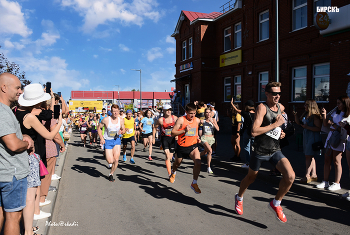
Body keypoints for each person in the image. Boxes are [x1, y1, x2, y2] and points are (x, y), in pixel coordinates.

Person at [234, 81, 295, 223]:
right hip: (260, 151)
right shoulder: (262, 108)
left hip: (275, 150)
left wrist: (281, 133)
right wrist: (275, 125)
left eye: (279, 93)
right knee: (251, 178)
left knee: (290, 176)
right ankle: (239, 197)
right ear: (266, 94)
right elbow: (254, 131)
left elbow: (279, 126)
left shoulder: (281, 107)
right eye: (274, 93)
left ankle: (276, 203)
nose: (277, 96)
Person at [16, 83, 62, 233]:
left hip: (18, 157)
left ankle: (25, 228)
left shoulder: (15, 111)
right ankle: (28, 231)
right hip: (30, 157)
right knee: (30, 196)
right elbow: (48, 135)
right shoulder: (30, 117)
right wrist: (59, 122)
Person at [0, 73, 33, 235]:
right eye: (17, 87)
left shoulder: (5, 111)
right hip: (12, 174)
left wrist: (22, 136)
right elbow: (12, 145)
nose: (20, 91)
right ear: (3, 88)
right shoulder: (3, 111)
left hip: (5, 172)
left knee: (2, 214)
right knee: (13, 217)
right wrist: (26, 143)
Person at [317, 95, 350, 191]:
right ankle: (325, 181)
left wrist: (334, 125)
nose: (337, 105)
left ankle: (337, 183)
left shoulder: (348, 115)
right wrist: (324, 115)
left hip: (339, 139)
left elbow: (344, 128)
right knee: (327, 160)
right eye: (337, 103)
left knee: (337, 161)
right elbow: (326, 123)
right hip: (330, 137)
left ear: (345, 104)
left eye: (339, 103)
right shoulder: (335, 112)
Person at [170, 103, 202, 194]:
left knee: (198, 162)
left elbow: (195, 131)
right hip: (182, 147)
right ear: (186, 112)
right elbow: (173, 133)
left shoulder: (197, 120)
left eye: (194, 113)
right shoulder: (181, 120)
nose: (192, 115)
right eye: (190, 113)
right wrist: (184, 130)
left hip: (193, 145)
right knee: (177, 164)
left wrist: (197, 138)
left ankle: (194, 183)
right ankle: (173, 172)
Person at [293, 99, 322, 184]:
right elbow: (299, 123)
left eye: (306, 105)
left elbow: (319, 128)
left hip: (312, 137)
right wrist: (295, 116)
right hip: (307, 136)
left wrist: (307, 127)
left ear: (311, 106)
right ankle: (314, 174)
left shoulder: (315, 116)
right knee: (310, 156)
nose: (304, 106)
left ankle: (307, 175)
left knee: (308, 156)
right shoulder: (306, 114)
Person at [98, 104, 125, 182]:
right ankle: (105, 153)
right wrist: (101, 138)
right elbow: (99, 128)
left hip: (116, 140)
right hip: (108, 140)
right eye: (114, 111)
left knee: (116, 160)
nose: (115, 113)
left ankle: (111, 174)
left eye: (117, 111)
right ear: (111, 111)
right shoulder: (106, 120)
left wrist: (122, 132)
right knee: (110, 161)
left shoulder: (121, 120)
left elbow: (124, 129)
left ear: (119, 111)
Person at [153, 104, 178, 176]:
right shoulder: (161, 120)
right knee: (167, 156)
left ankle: (173, 170)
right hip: (165, 139)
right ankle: (170, 174)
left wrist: (177, 135)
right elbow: (155, 128)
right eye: (167, 110)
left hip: (173, 139)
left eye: (170, 109)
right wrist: (154, 138)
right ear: (163, 111)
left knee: (170, 157)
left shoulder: (175, 118)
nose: (169, 111)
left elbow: (181, 126)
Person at [231, 99, 255, 168]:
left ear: (247, 106)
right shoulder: (256, 113)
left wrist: (232, 103)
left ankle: (248, 163)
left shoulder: (245, 113)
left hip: (246, 132)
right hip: (254, 132)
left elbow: (236, 110)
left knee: (247, 147)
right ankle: (255, 163)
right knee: (254, 148)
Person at [200, 108, 219, 174]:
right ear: (205, 113)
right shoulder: (203, 121)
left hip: (211, 138)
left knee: (205, 152)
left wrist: (213, 122)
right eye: (207, 112)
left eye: (209, 112)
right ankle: (208, 167)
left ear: (211, 113)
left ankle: (198, 156)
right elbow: (196, 126)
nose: (208, 114)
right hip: (204, 138)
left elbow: (218, 129)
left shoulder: (213, 120)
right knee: (210, 151)